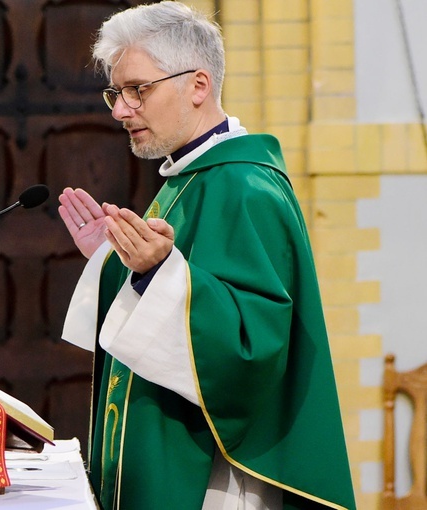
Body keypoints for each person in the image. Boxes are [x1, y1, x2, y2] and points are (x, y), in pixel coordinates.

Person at [57, 2, 356, 509]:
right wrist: (111, 262)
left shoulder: (245, 185)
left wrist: (157, 273)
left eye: (137, 90)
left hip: (218, 476)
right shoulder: (191, 178)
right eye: (116, 92)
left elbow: (253, 346)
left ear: (197, 85)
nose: (119, 110)